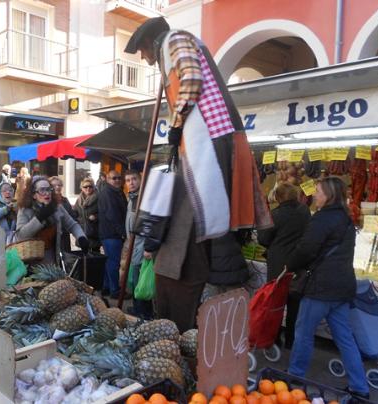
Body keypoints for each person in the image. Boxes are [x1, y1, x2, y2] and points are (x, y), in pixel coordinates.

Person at [126, 17, 271, 332]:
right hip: (209, 143)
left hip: (213, 141)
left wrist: (176, 123)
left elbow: (191, 81)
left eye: (143, 52)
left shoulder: (175, 40)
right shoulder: (171, 51)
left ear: (151, 42)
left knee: (205, 206)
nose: (145, 60)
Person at [286, 176, 369, 400]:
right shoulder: (345, 218)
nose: (315, 195)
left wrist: (290, 265)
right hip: (342, 287)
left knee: (303, 333)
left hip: (320, 288)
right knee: (345, 337)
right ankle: (360, 387)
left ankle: (295, 377)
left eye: (319, 192)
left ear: (329, 195)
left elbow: (306, 249)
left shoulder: (322, 219)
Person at [258, 182, 311, 348]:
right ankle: (291, 340)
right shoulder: (304, 211)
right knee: (294, 305)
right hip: (299, 264)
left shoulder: (276, 214)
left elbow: (263, 239)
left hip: (278, 265)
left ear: (279, 198)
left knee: (276, 304)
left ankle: (273, 339)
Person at [16, 176, 88, 265]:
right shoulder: (25, 210)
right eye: (42, 190)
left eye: (49, 189)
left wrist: (81, 237)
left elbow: (72, 225)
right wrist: (40, 218)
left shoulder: (57, 207)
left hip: (52, 259)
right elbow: (21, 236)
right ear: (34, 195)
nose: (47, 193)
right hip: (30, 261)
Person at [124, 170, 153, 319]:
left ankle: (144, 313)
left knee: (140, 282)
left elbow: (149, 224)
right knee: (135, 281)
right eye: (128, 180)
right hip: (134, 247)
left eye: (134, 179)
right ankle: (138, 310)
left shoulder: (144, 199)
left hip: (142, 248)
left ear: (140, 180)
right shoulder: (132, 198)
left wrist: (148, 247)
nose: (131, 183)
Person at [98, 170, 127, 298]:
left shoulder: (117, 192)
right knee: (113, 262)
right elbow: (112, 215)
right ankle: (115, 290)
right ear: (107, 180)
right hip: (111, 233)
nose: (117, 180)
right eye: (113, 178)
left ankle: (106, 287)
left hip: (110, 233)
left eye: (119, 178)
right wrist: (122, 232)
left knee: (109, 261)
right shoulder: (108, 193)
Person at [73, 178, 100, 253]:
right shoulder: (79, 200)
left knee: (95, 255)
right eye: (85, 187)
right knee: (84, 255)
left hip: (94, 232)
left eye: (90, 186)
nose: (88, 188)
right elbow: (75, 213)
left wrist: (96, 217)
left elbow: (104, 213)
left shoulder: (99, 198)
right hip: (82, 231)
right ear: (82, 188)